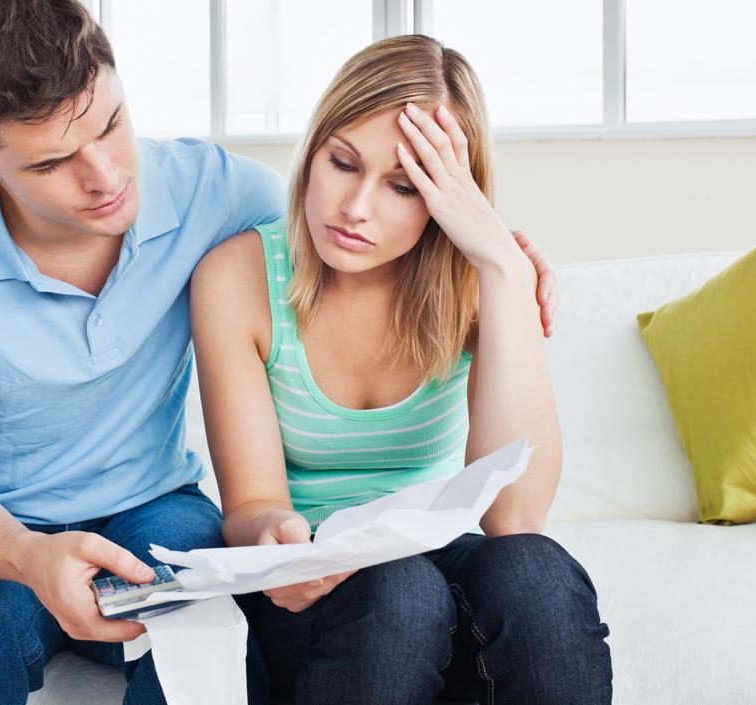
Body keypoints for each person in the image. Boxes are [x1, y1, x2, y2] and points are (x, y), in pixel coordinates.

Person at [0, 2, 558, 702]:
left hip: (155, 509)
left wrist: (506, 261)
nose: (105, 177)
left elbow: (356, 236)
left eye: (111, 125)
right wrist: (30, 557)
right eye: (54, 162)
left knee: (213, 655)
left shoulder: (220, 194)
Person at [190, 34, 612, 705]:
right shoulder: (237, 277)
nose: (356, 208)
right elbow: (250, 505)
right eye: (342, 162)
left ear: (450, 198)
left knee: (534, 572)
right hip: (315, 588)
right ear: (314, 148)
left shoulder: (480, 281)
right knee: (399, 589)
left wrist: (502, 267)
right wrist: (275, 534)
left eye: (403, 186)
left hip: (439, 563)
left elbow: (515, 514)